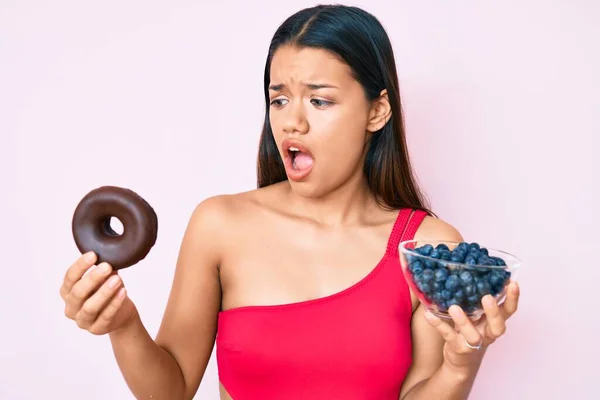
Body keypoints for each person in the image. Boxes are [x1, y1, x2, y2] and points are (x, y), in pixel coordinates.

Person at [59, 4, 520, 400]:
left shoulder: (425, 248)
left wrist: (460, 365)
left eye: (319, 102)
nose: (292, 123)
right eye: (279, 100)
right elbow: (172, 388)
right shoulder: (219, 224)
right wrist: (123, 323)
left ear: (377, 111)